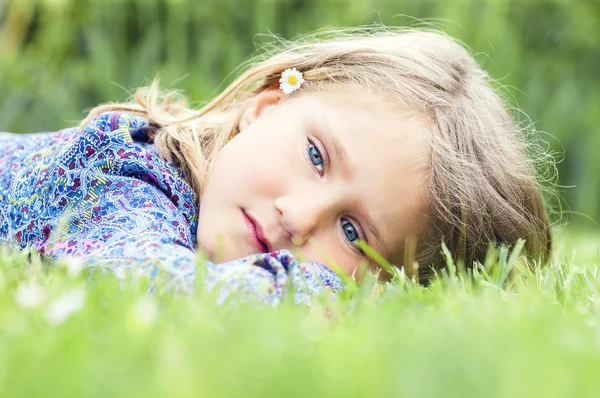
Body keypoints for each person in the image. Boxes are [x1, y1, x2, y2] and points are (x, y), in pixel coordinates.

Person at [0, 27, 553, 304]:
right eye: (317, 157)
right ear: (265, 108)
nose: (299, 217)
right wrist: (318, 287)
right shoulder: (127, 168)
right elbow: (137, 278)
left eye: (353, 231)